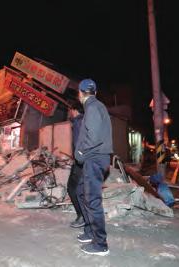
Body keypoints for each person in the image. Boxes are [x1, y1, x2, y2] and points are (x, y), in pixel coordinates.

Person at [74, 78, 113, 256]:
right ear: (95, 92)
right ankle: (90, 232)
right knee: (82, 191)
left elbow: (93, 136)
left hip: (94, 158)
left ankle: (100, 243)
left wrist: (81, 153)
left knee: (92, 200)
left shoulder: (92, 107)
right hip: (96, 158)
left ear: (80, 93)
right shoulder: (97, 106)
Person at [67, 100, 85, 228]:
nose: (69, 113)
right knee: (78, 189)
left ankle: (82, 216)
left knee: (73, 188)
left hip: (81, 162)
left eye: (70, 110)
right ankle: (83, 216)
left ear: (74, 110)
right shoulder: (83, 121)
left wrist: (78, 160)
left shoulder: (79, 122)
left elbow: (80, 144)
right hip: (82, 161)